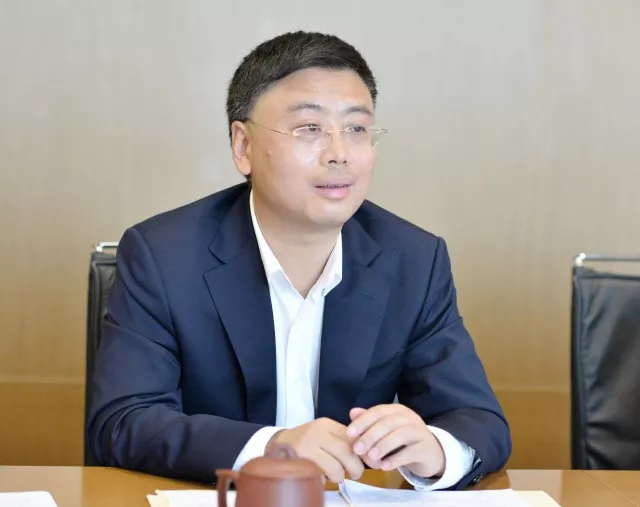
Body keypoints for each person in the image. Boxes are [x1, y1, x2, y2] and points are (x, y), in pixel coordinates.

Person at [87, 30, 511, 490]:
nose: (339, 154)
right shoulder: (163, 256)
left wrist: (437, 449)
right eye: (310, 129)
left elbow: (479, 421)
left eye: (356, 129)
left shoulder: (413, 259)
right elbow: (123, 421)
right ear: (243, 147)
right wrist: (271, 448)